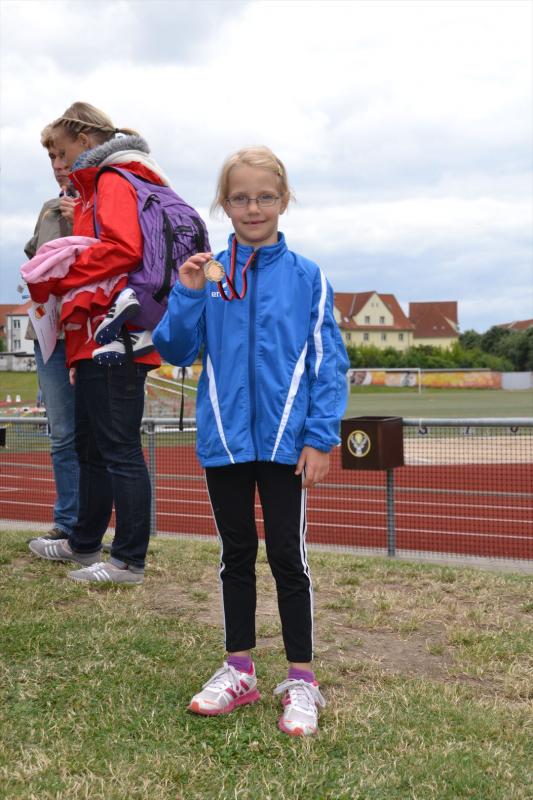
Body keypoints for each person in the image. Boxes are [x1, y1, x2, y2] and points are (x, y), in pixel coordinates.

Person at [153, 146, 350, 736]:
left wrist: (319, 438)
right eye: (240, 197)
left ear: (284, 200)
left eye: (265, 196)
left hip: (288, 446)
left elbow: (328, 363)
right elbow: (176, 350)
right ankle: (239, 668)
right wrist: (188, 293)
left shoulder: (308, 276)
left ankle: (302, 679)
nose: (253, 207)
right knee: (235, 554)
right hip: (225, 442)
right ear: (224, 204)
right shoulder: (207, 275)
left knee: (288, 557)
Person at [27, 101, 165, 584]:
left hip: (117, 335)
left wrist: (60, 275)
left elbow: (123, 250)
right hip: (93, 334)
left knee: (119, 448)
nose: (59, 163)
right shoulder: (100, 183)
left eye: (62, 152)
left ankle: (128, 559)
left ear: (84, 142)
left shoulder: (114, 179)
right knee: (90, 445)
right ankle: (84, 542)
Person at [24, 125, 80, 542]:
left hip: (91, 331)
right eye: (52, 159)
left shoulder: (106, 202)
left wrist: (81, 220)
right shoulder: (47, 209)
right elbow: (33, 253)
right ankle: (67, 521)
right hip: (50, 336)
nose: (59, 166)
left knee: (100, 436)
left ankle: (102, 527)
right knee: (61, 434)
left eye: (64, 156)